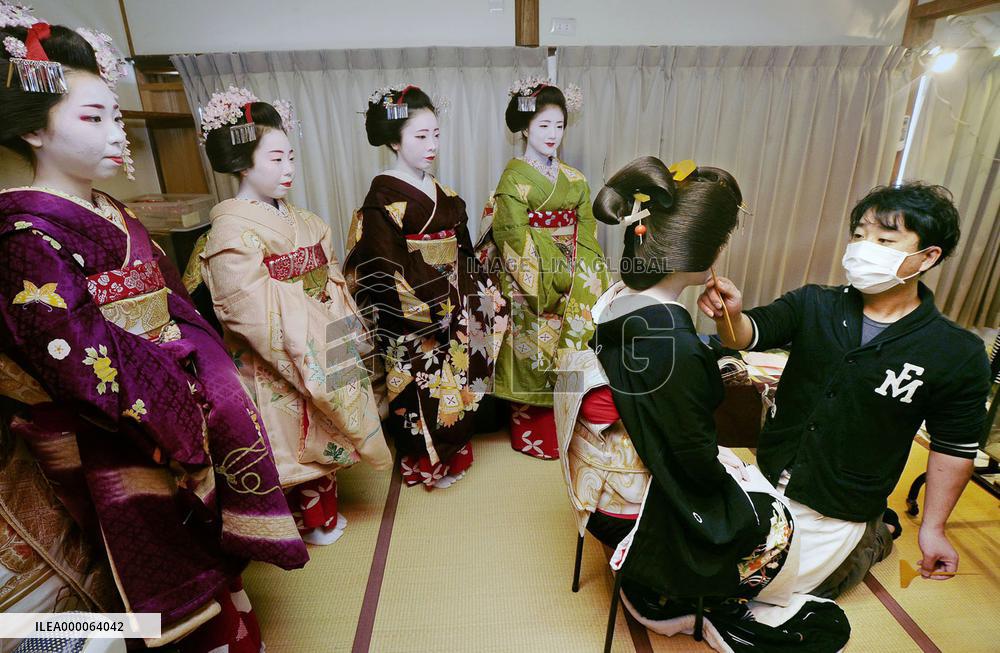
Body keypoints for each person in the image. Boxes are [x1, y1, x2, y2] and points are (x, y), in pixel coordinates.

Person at [0, 9, 306, 650]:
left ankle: (227, 611)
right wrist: (176, 397)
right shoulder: (25, 235)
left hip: (174, 389)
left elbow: (174, 303)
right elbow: (75, 356)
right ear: (33, 130)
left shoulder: (111, 210)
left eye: (116, 117)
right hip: (111, 423)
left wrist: (210, 378)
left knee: (203, 530)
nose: (117, 135)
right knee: (158, 548)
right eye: (94, 119)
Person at [552, 156, 849, 651]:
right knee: (776, 522)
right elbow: (693, 460)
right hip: (636, 507)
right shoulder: (674, 343)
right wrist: (732, 479)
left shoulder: (616, 299)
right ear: (708, 250)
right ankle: (681, 599)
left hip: (596, 473)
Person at [699, 181, 991, 597]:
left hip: (841, 505)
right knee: (703, 570)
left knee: (764, 594)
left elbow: (954, 448)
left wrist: (933, 528)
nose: (864, 248)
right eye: (858, 235)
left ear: (928, 256)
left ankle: (874, 537)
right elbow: (748, 333)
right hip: (772, 475)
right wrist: (729, 315)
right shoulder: (815, 303)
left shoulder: (956, 352)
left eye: (885, 240)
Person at [191, 89, 390, 545]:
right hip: (275, 353)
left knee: (328, 424)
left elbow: (333, 275)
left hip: (318, 330)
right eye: (276, 159)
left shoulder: (305, 219)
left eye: (291, 158)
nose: (288, 169)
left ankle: (323, 515)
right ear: (243, 163)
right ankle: (307, 522)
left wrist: (335, 324)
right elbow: (246, 308)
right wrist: (307, 336)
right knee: (293, 436)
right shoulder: (230, 231)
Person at [344, 84, 507, 489]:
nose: (432, 145)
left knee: (462, 376)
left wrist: (477, 292)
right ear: (394, 141)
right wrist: (440, 300)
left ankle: (455, 454)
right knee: (419, 388)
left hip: (454, 300)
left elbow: (464, 251)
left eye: (436, 134)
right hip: (414, 310)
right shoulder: (382, 199)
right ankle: (424, 464)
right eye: (420, 136)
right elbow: (386, 263)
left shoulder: (444, 193)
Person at [478, 77, 609, 460]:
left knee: (572, 349)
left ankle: (569, 425)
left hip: (574, 271)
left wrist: (585, 275)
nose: (553, 134)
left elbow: (587, 230)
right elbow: (512, 235)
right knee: (532, 351)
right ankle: (532, 435)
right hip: (529, 277)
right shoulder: (513, 179)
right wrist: (544, 282)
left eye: (559, 125)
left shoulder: (576, 179)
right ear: (524, 127)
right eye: (543, 125)